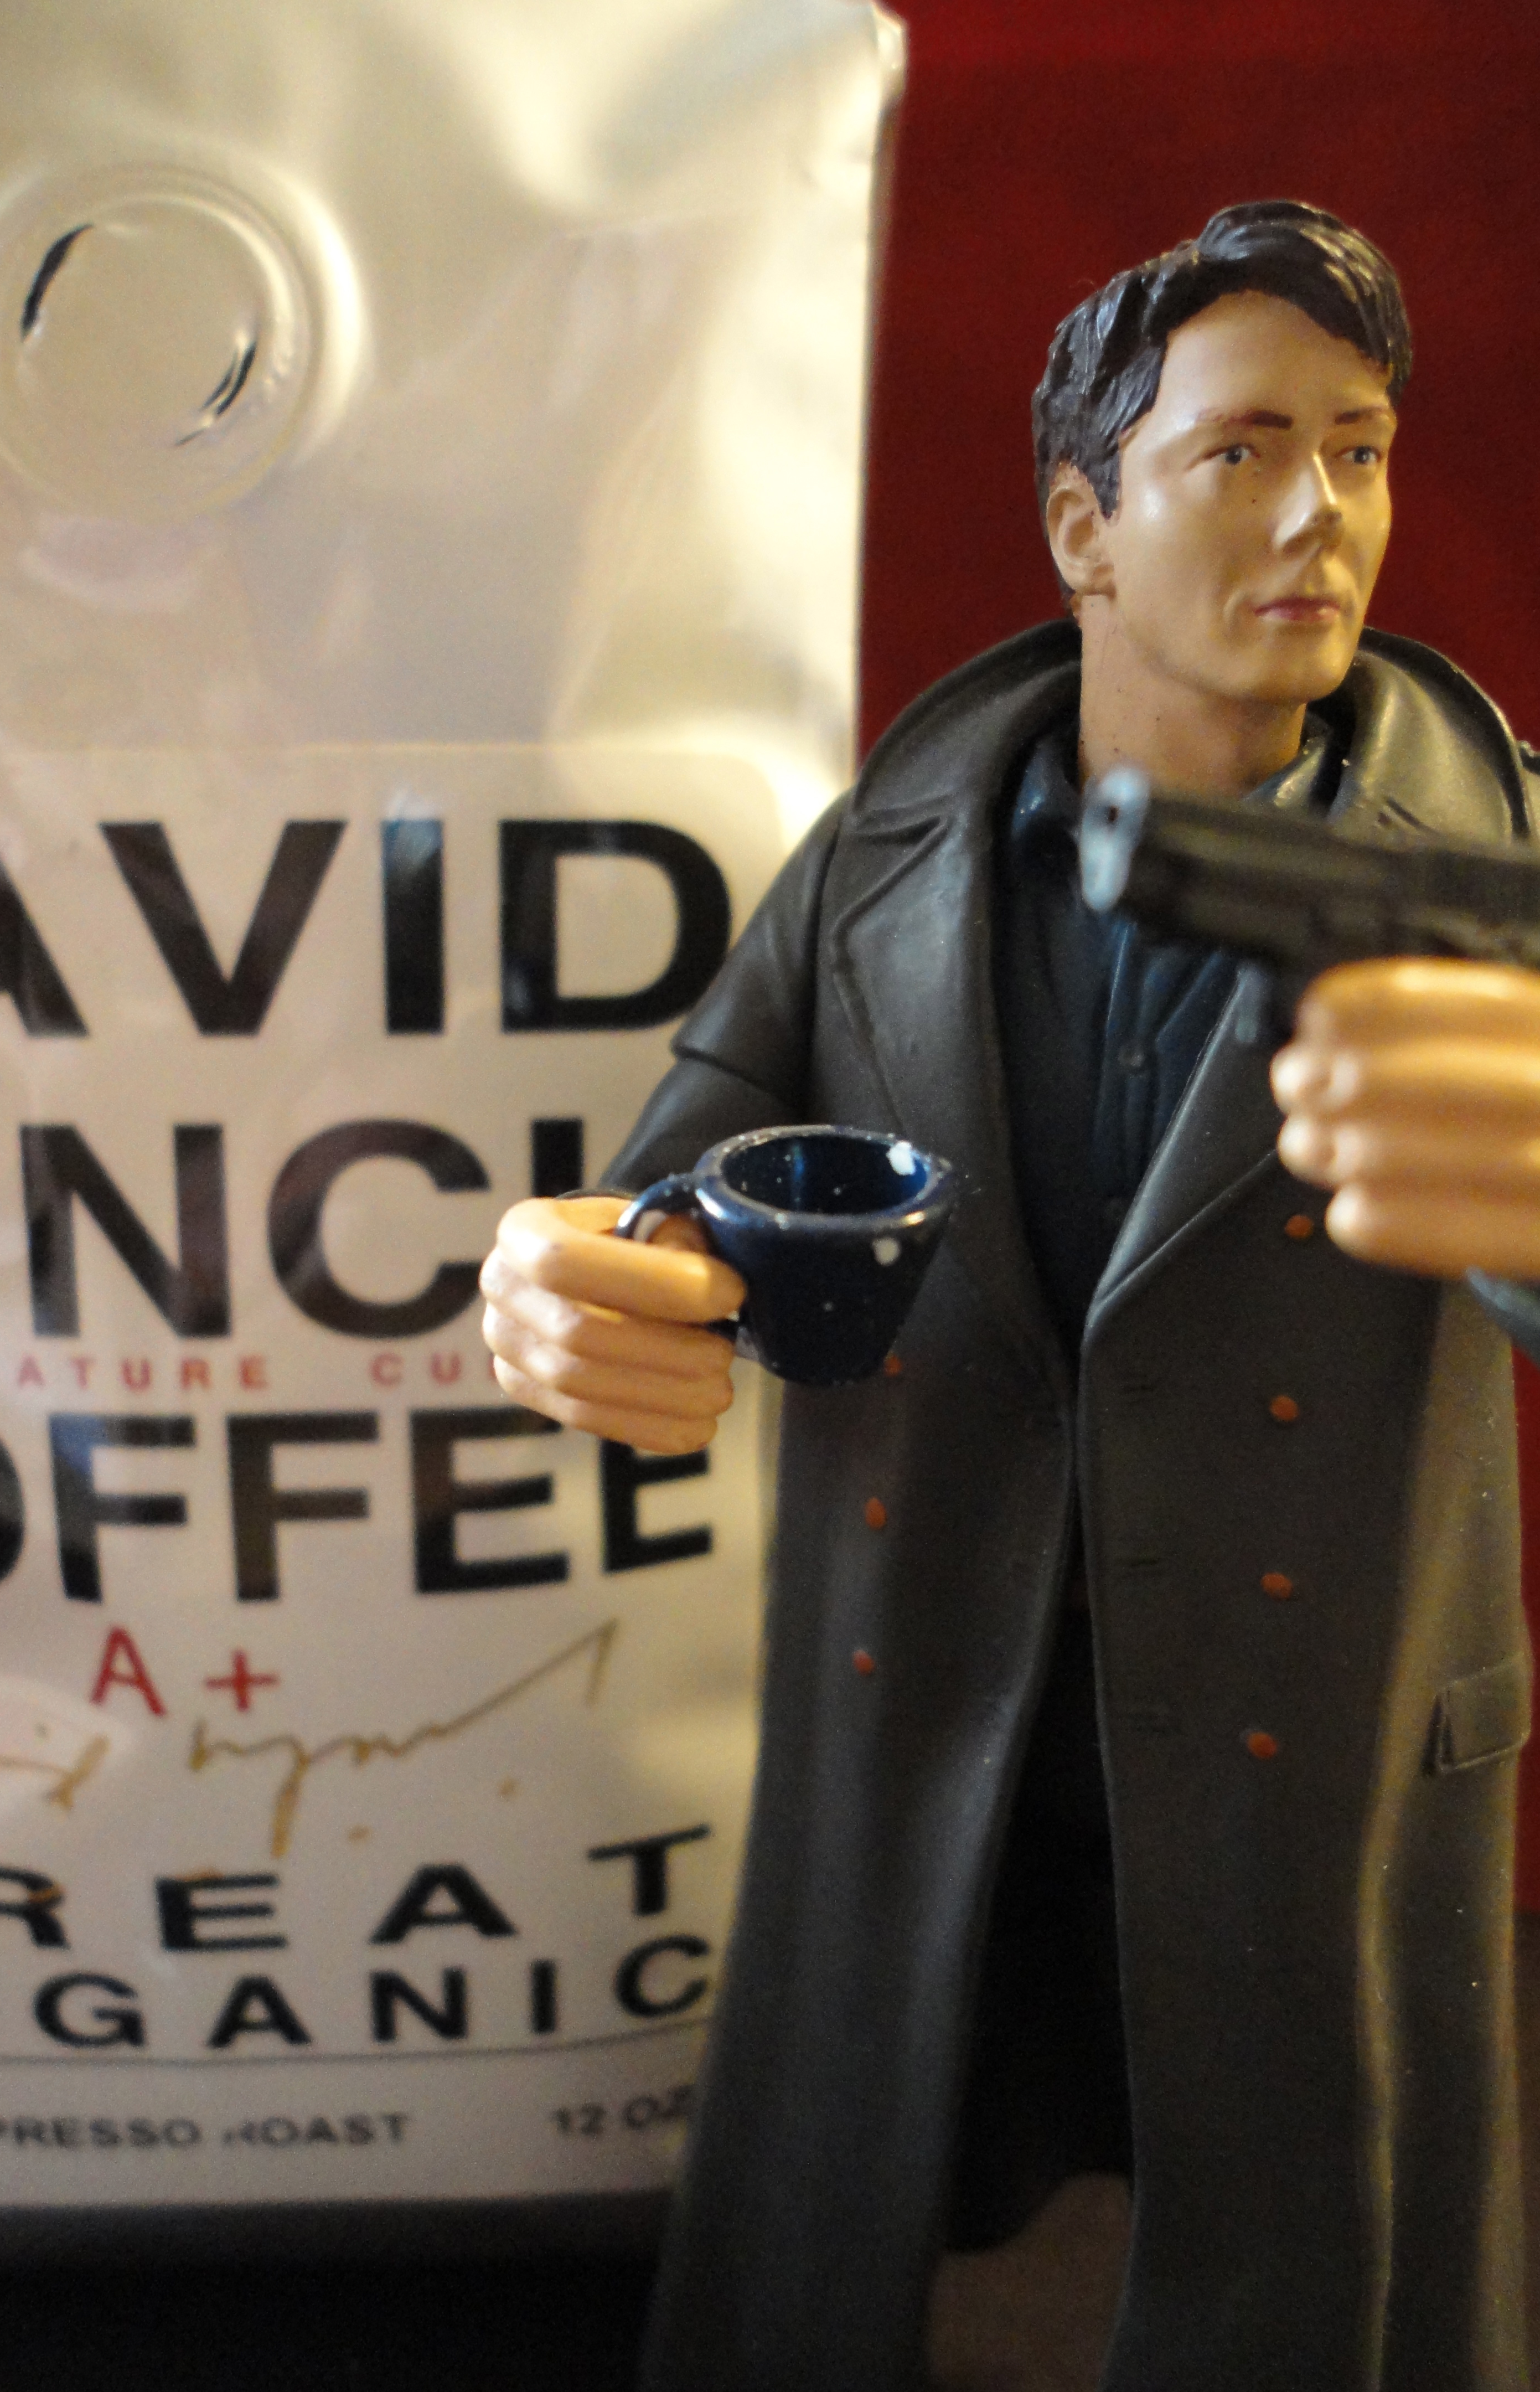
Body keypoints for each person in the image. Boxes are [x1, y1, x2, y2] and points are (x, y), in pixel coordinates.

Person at [480, 203, 1539, 2390]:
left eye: (1359, 449)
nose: (1323, 516)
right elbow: (690, 1167)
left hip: (1307, 1724)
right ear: (1084, 525)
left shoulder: (1502, 864)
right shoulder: (893, 853)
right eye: (1242, 450)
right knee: (892, 2204)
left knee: (1316, 2247)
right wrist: (588, 1278)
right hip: (946, 1698)